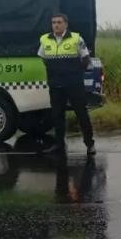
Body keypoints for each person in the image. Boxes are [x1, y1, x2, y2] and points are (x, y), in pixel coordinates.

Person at [38, 13, 95, 155]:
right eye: (53, 22)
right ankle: (59, 145)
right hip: (56, 84)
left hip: (74, 84)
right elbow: (44, 58)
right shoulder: (45, 39)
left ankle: (89, 144)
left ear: (65, 24)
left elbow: (85, 59)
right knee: (57, 116)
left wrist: (74, 73)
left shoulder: (76, 38)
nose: (56, 25)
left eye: (59, 22)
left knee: (82, 114)